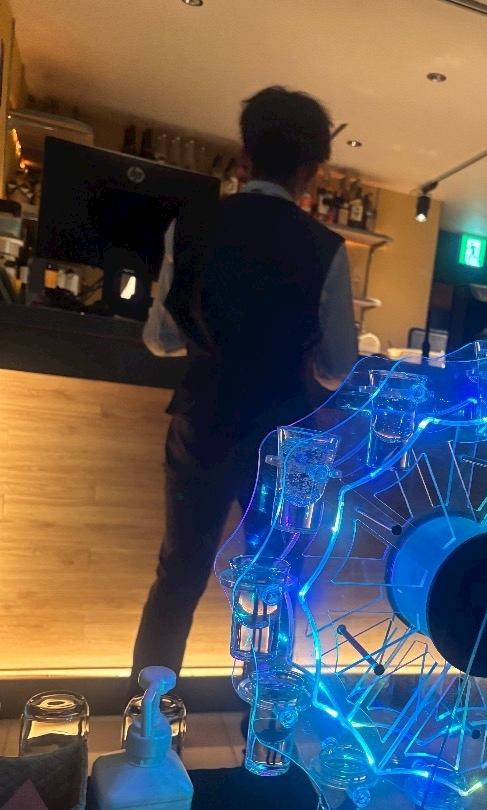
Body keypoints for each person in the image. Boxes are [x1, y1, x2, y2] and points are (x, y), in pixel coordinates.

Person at [129, 86, 358, 693]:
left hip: (204, 420)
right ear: (312, 170)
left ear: (245, 154)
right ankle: (263, 723)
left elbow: (160, 339)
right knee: (275, 580)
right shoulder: (325, 248)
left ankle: (145, 723)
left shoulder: (191, 227)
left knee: (178, 576)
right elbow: (338, 365)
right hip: (283, 438)